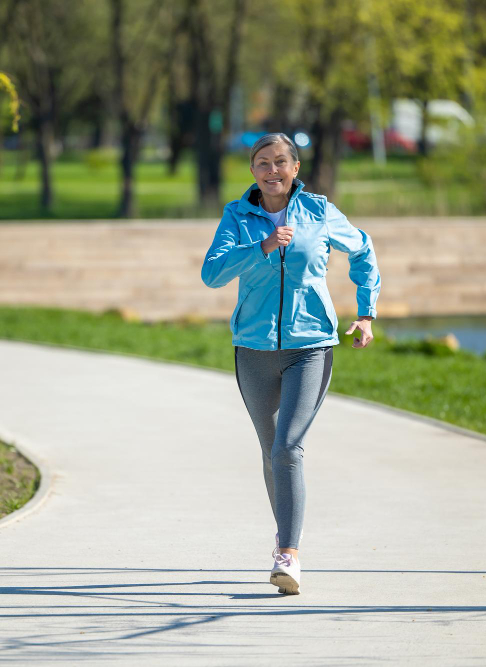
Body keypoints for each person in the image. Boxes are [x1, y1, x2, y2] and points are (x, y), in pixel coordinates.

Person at [200, 132, 381, 595]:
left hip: (310, 346)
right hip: (253, 349)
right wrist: (260, 247)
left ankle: (288, 554)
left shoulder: (319, 212)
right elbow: (212, 274)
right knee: (271, 452)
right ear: (253, 171)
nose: (272, 170)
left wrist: (365, 313)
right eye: (263, 163)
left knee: (287, 449)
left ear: (295, 169)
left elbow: (362, 248)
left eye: (281, 162)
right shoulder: (237, 216)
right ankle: (285, 535)